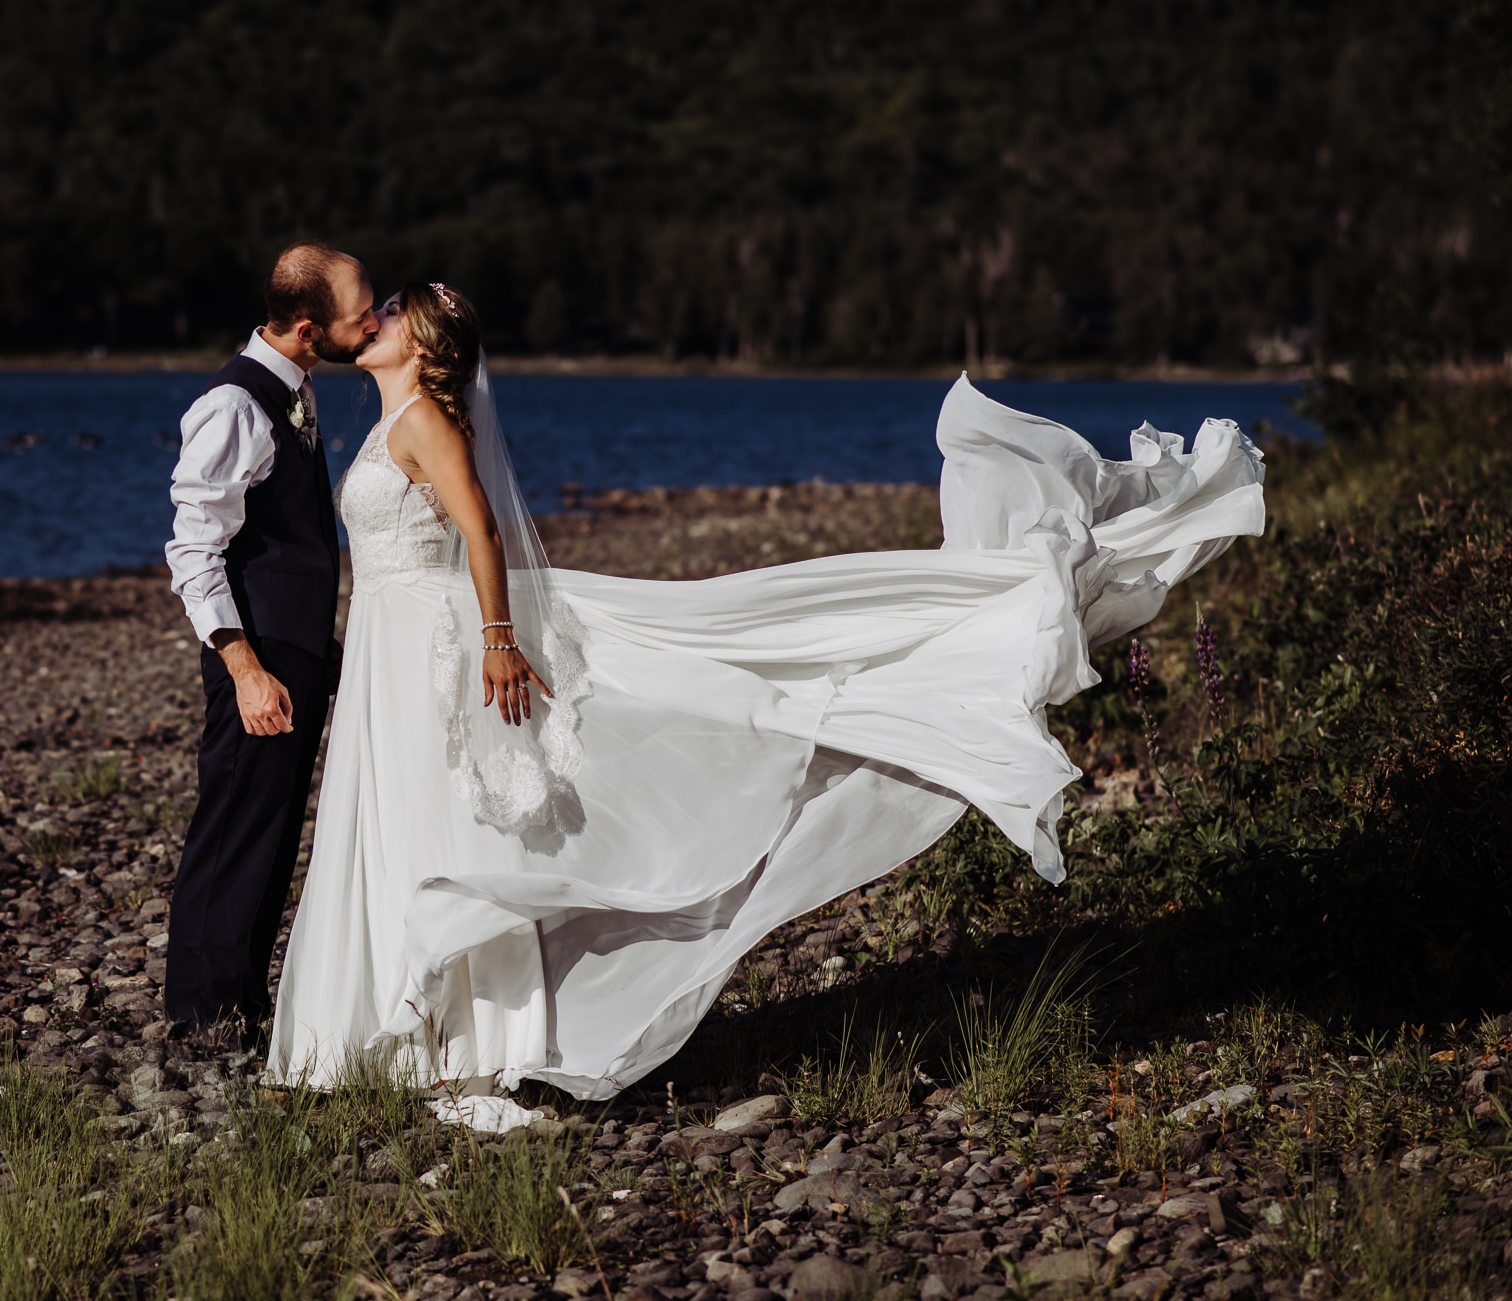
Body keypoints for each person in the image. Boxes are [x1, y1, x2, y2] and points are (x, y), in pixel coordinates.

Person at [264, 279, 1266, 1120]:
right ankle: (388, 1031)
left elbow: (480, 530)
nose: (376, 317)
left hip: (434, 640)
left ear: (425, 342)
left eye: (392, 309)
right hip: (393, 653)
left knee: (448, 826)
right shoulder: (387, 415)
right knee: (395, 824)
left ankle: (457, 1043)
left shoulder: (426, 417)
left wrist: (495, 640)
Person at [162, 242, 380, 1040]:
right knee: (233, 823)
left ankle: (241, 1001)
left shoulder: (296, 387)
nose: (369, 325)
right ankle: (200, 1010)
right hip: (250, 657)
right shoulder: (234, 405)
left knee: (274, 827)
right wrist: (245, 667)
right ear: (303, 326)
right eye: (359, 315)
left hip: (290, 649)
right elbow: (194, 549)